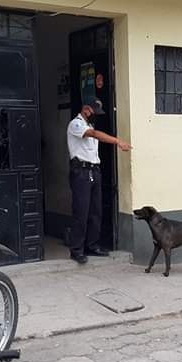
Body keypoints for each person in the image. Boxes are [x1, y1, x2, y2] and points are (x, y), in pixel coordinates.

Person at [67, 97, 131, 264]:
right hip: (80, 172)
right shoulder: (76, 124)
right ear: (87, 109)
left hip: (94, 171)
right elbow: (94, 135)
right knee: (81, 211)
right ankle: (76, 250)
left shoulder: (90, 125)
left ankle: (92, 245)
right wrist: (118, 142)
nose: (97, 116)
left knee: (95, 211)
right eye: (95, 112)